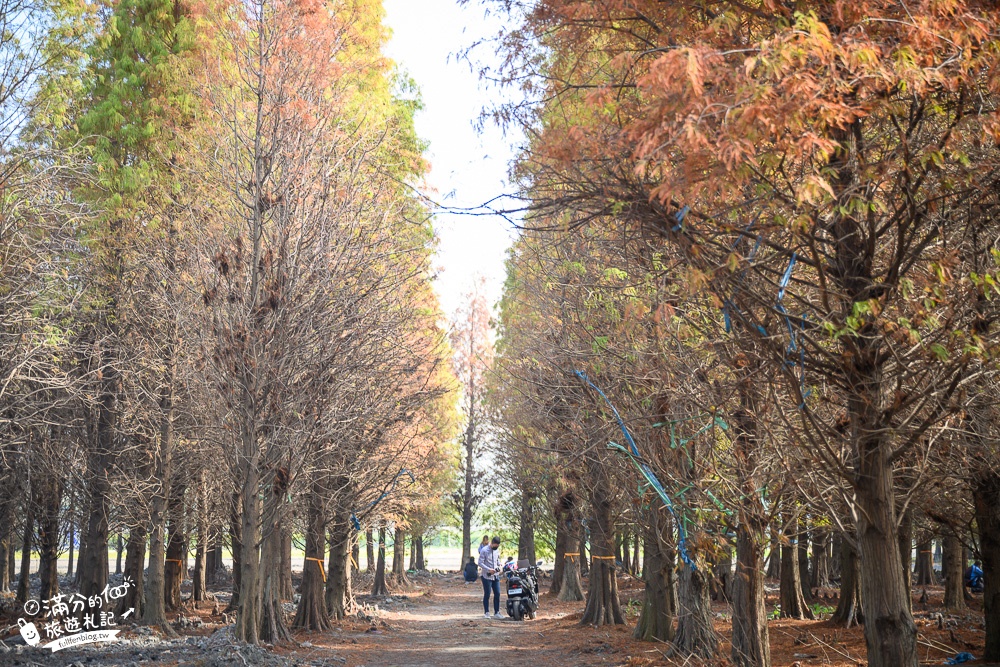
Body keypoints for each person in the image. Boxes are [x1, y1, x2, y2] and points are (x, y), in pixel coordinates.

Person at [478, 536, 503, 619]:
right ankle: (487, 612)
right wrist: (489, 569)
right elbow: (480, 563)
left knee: (497, 593)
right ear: (492, 543)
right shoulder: (484, 550)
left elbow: (497, 560)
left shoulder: (497, 551)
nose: (496, 547)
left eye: (497, 546)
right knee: (487, 594)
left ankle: (497, 612)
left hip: (496, 575)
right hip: (486, 576)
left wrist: (500, 565)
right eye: (495, 545)